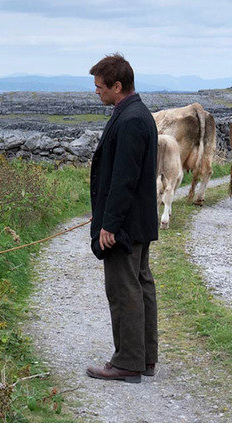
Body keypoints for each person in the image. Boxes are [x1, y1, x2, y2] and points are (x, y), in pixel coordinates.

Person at [86, 53, 159, 384]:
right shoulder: (138, 113)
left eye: (100, 87)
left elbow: (124, 179)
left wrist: (109, 224)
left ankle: (128, 361)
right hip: (138, 221)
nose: (97, 92)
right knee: (141, 285)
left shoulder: (130, 120)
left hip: (125, 225)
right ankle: (144, 357)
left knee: (124, 289)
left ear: (118, 86)